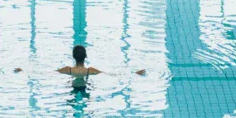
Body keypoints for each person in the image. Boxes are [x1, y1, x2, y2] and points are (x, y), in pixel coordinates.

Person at [14, 45, 146, 77]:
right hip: (85, 85)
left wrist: (23, 70)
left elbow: (44, 73)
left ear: (73, 57)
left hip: (71, 83)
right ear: (86, 56)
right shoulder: (91, 70)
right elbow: (112, 75)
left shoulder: (67, 69)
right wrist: (135, 73)